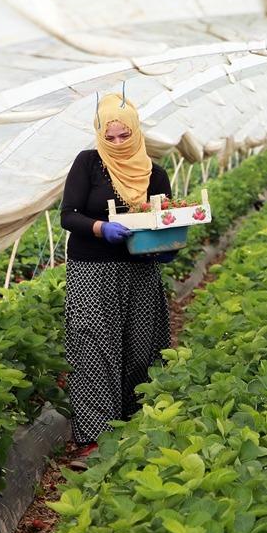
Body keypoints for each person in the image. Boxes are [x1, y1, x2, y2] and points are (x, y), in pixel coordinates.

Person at [59, 93, 174, 462]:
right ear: (100, 135)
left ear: (137, 132)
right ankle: (95, 438)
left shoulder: (155, 173)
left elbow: (166, 219)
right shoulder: (88, 163)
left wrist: (168, 246)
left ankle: (132, 429)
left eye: (125, 135)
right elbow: (68, 215)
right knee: (93, 347)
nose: (118, 143)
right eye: (110, 137)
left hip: (139, 270)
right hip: (92, 270)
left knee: (140, 348)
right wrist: (100, 228)